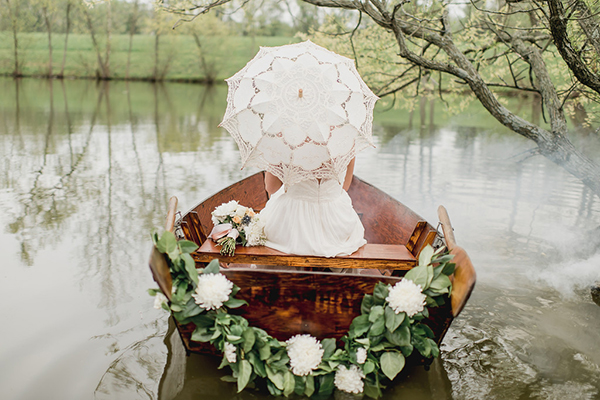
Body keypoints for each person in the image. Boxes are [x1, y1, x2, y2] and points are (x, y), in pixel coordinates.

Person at [259, 158, 367, 258]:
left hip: (292, 223)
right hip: (337, 224)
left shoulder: (285, 140)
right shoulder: (347, 141)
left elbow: (271, 187)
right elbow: (344, 186)